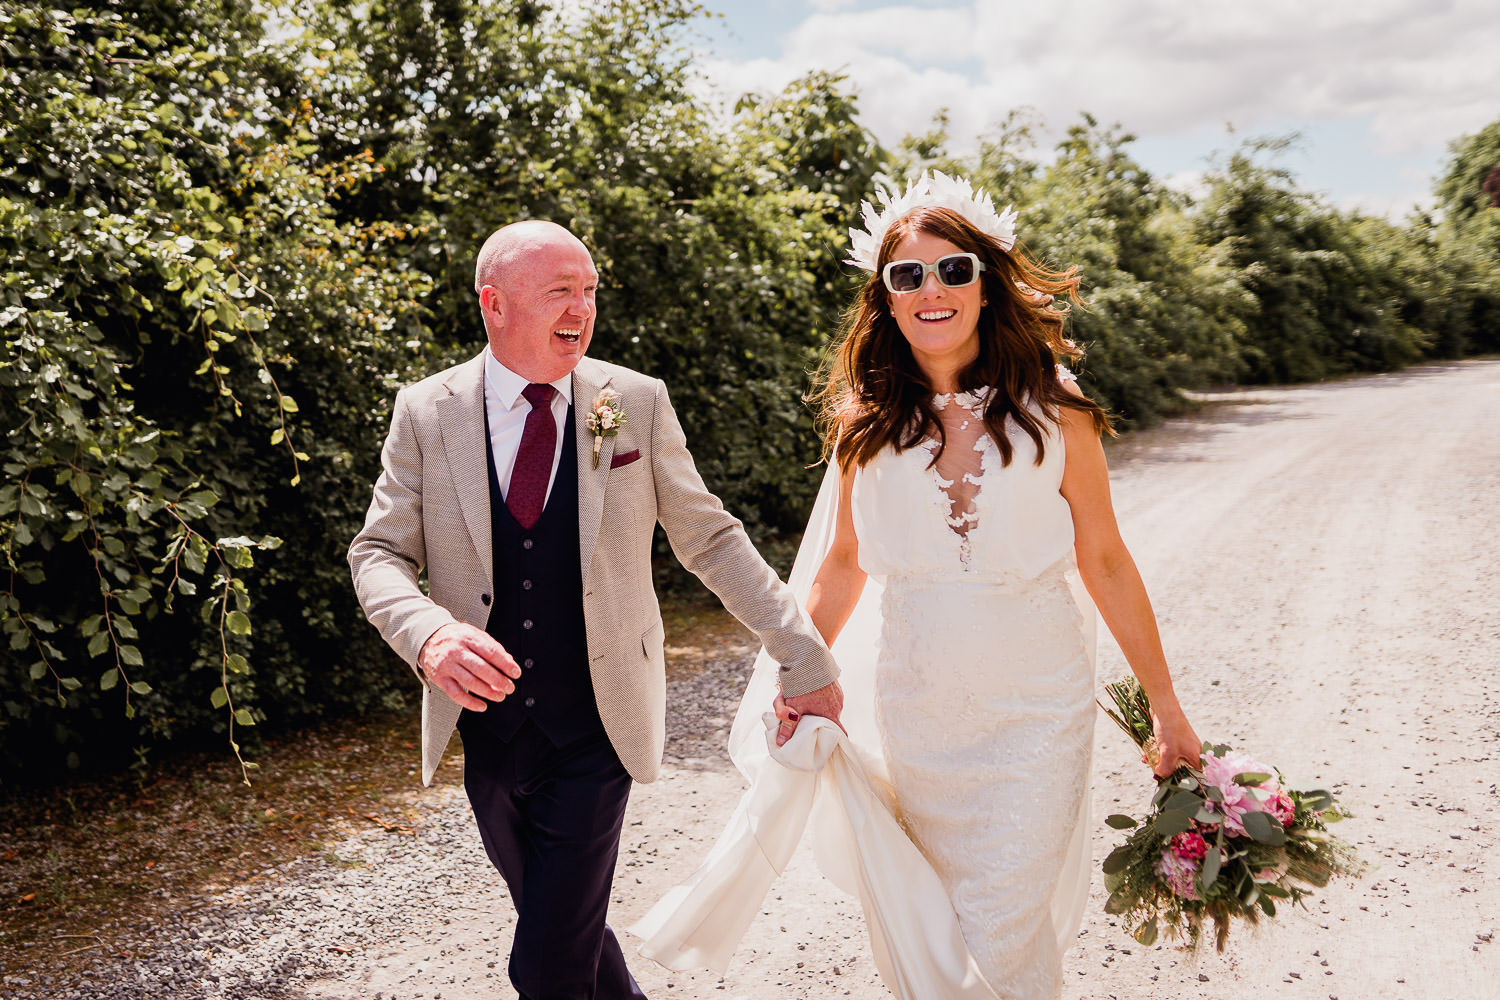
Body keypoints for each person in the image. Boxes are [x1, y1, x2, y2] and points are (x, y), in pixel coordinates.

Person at [632, 174, 1201, 998]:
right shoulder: (866, 425)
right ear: (887, 301)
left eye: (953, 270)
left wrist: (1168, 708)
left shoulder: (1058, 411)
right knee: (940, 924)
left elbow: (1106, 560)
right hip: (922, 714)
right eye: (908, 276)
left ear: (987, 284)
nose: (931, 290)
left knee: (1005, 921)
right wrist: (802, 670)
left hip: (1040, 708)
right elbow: (841, 565)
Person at [347, 219, 843, 1000]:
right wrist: (429, 634)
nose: (582, 307)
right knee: (567, 933)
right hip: (489, 730)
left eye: (589, 290)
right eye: (560, 291)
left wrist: (802, 652)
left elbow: (709, 538)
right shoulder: (425, 411)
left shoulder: (634, 402)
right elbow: (376, 554)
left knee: (542, 964)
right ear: (495, 304)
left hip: (597, 725)